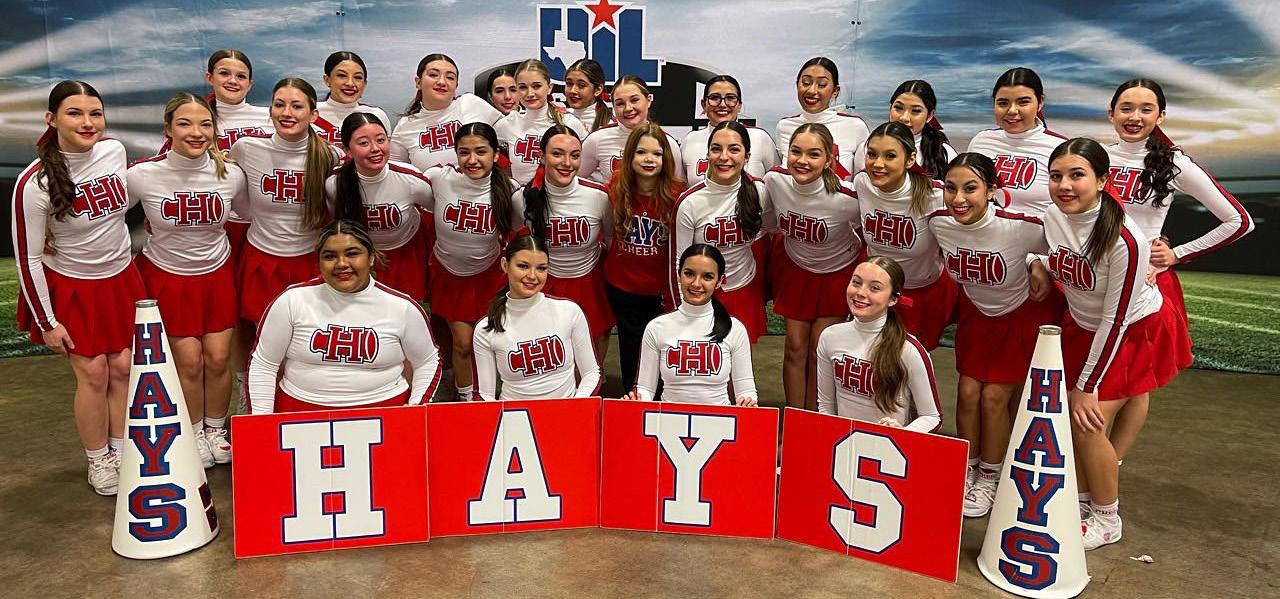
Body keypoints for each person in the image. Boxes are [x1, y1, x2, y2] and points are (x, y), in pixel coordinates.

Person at [1029, 137, 1184, 550]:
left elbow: (1116, 322)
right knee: (1086, 419)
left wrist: (1087, 386)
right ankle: (1084, 497)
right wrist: (1037, 264)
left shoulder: (1124, 241)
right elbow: (1052, 253)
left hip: (1130, 330)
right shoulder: (1054, 215)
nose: (1065, 185)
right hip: (1085, 326)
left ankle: (1106, 517)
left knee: (1085, 419)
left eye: (1077, 175)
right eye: (1056, 176)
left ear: (1102, 180)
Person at [1104, 78, 1254, 462]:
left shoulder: (1173, 163)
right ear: (1111, 113)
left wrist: (1176, 254)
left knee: (1133, 384)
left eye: (1146, 109)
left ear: (1161, 116)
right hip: (1096, 281)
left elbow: (1238, 220)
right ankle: (1095, 467)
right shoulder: (1097, 157)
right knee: (1105, 381)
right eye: (1126, 108)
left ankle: (1107, 466)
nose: (1134, 117)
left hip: (1144, 286)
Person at [12, 80, 145, 495]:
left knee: (123, 368)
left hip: (120, 279)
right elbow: (28, 258)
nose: (88, 123)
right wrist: (47, 321)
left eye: (95, 113)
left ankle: (121, 450)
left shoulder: (114, 151)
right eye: (75, 113)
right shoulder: (33, 182)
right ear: (51, 119)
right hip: (74, 287)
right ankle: (98, 459)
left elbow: (116, 210)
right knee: (93, 374)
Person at [928, 152, 1061, 517]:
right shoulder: (939, 223)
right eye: (950, 188)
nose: (958, 198)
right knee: (968, 393)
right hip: (978, 314)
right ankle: (966, 467)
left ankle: (990, 476)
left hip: (1021, 315)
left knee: (993, 398)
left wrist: (1037, 262)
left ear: (991, 190)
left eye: (970, 188)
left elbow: (1066, 247)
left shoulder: (1022, 226)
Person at [129, 92, 248, 468]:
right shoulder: (142, 175)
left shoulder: (231, 175)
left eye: (205, 124)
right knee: (190, 362)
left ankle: (215, 430)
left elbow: (249, 214)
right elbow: (107, 216)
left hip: (216, 275)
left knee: (218, 359)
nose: (196, 132)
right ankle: (193, 432)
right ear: (168, 128)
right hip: (168, 277)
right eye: (185, 123)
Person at [247, 220, 442, 413]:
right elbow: (264, 364)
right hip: (299, 411)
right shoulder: (292, 300)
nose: (341, 263)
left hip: (385, 412)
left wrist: (416, 409)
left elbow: (427, 360)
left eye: (352, 254)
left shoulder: (402, 307)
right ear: (319, 262)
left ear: (371, 258)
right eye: (330, 256)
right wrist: (260, 421)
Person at [763, 123, 861, 411]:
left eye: (814, 154)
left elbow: (867, 233)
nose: (802, 160)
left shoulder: (847, 198)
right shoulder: (775, 181)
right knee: (795, 347)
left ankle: (815, 419)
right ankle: (795, 417)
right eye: (796, 152)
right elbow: (769, 223)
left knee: (820, 349)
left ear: (829, 160)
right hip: (796, 270)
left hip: (836, 274)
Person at [423, 122, 523, 402]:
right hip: (449, 276)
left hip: (488, 278)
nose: (472, 160)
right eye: (464, 152)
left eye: (481, 151)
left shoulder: (510, 190)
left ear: (495, 154)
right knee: (463, 344)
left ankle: (490, 396)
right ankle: (467, 401)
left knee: (488, 343)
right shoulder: (438, 178)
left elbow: (515, 228)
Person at [230, 78, 341, 327]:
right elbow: (238, 200)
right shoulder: (246, 148)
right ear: (270, 110)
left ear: (313, 115)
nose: (287, 113)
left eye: (297, 106)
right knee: (263, 337)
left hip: (311, 261)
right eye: (279, 105)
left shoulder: (330, 156)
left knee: (308, 337)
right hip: (262, 260)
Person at [851, 122, 955, 350]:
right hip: (875, 291)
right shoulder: (862, 183)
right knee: (870, 356)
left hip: (923, 292)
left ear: (910, 159)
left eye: (890, 156)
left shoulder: (935, 196)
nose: (878, 164)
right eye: (872, 154)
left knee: (909, 362)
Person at [672, 121, 774, 343]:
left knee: (740, 359)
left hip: (745, 289)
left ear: (747, 157)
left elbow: (767, 230)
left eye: (734, 149)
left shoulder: (759, 191)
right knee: (707, 360)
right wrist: (685, 311)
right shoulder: (690, 202)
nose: (724, 157)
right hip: (702, 294)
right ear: (707, 154)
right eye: (716, 149)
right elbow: (678, 262)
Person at [604, 123, 687, 392]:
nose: (649, 159)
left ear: (666, 158)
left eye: (657, 153)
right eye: (641, 152)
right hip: (623, 287)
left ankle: (662, 403)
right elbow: (608, 232)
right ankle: (633, 401)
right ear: (630, 156)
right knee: (631, 351)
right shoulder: (616, 187)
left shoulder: (678, 194)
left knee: (663, 354)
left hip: (660, 291)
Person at [816, 256, 942, 431]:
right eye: (856, 282)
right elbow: (825, 406)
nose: (861, 293)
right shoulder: (830, 337)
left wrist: (902, 433)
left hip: (889, 445)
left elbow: (932, 417)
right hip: (843, 442)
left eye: (874, 288)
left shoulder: (909, 350)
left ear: (893, 299)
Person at [519, 125, 614, 360]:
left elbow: (611, 239)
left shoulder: (599, 196)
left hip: (589, 283)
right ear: (541, 156)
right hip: (543, 284)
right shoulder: (523, 198)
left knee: (591, 362)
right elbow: (510, 238)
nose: (567, 163)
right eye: (557, 154)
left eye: (575, 155)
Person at [622, 244, 758, 406]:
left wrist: (748, 403)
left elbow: (746, 391)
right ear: (679, 275)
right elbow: (645, 389)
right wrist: (636, 401)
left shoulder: (735, 329)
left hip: (720, 420)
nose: (696, 284)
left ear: (720, 281)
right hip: (668, 419)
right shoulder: (656, 327)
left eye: (707, 277)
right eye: (689, 274)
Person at [472, 234, 601, 401]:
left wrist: (576, 406)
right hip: (515, 415)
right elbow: (484, 395)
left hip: (567, 412)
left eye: (541, 268)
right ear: (505, 265)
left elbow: (591, 373)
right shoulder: (485, 328)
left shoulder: (569, 312)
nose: (532, 276)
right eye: (523, 266)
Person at [326, 112, 433, 301]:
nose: (375, 149)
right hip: (361, 257)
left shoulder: (411, 180)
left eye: (381, 140)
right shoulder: (334, 183)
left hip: (405, 255)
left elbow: (433, 210)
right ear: (348, 150)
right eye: (363, 143)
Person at [967, 67, 1068, 216]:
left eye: (1023, 102)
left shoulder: (1060, 148)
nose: (1012, 110)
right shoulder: (981, 141)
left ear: (1040, 102)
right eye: (1003, 103)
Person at [390, 53, 503, 170]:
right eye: (433, 75)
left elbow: (509, 134)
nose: (442, 82)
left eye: (450, 77)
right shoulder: (405, 126)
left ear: (456, 85)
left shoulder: (471, 103)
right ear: (418, 82)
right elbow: (396, 172)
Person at [495, 59, 588, 185]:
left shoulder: (569, 123)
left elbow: (586, 169)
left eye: (536, 86)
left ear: (549, 88)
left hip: (560, 195)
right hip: (521, 196)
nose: (530, 93)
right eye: (522, 87)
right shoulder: (506, 124)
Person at [774, 57, 869, 180]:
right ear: (797, 85)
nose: (812, 90)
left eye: (822, 85)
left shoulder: (855, 126)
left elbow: (863, 180)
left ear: (835, 91)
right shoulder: (784, 126)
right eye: (806, 83)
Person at [579, 75, 683, 183]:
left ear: (648, 100)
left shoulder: (668, 143)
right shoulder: (597, 140)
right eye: (620, 103)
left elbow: (677, 188)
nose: (628, 108)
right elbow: (574, 181)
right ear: (613, 106)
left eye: (634, 100)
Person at [681, 75, 778, 182]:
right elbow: (681, 186)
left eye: (730, 98)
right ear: (704, 105)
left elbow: (777, 183)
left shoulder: (759, 138)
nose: (722, 104)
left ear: (739, 105)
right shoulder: (690, 140)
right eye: (714, 98)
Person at [857, 80, 956, 178]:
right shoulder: (867, 148)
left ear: (930, 116)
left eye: (915, 111)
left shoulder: (944, 152)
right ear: (890, 108)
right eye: (898, 108)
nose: (904, 118)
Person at [314, 51, 392, 145]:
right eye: (342, 75)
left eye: (358, 77)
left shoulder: (377, 115)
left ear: (364, 84)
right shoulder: (310, 113)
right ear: (327, 80)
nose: (350, 83)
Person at [563, 58, 612, 132]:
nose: (573, 90)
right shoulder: (558, 118)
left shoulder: (610, 126)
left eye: (581, 85)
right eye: (569, 83)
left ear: (598, 90)